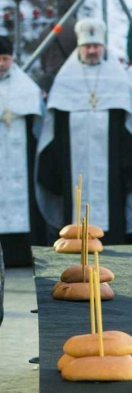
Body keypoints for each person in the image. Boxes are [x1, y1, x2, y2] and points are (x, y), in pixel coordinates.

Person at [37, 19, 132, 244]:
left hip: (111, 168)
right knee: (74, 209)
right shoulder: (65, 80)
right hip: (71, 166)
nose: (92, 50)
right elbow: (54, 127)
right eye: (87, 46)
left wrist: (127, 164)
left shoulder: (117, 78)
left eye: (96, 46)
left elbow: (128, 128)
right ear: (79, 47)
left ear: (103, 47)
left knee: (112, 216)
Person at [0, 37, 44, 266]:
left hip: (20, 162)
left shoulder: (26, 87)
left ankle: (21, 260)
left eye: (5, 58)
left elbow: (38, 124)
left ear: (13, 59)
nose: (1, 63)